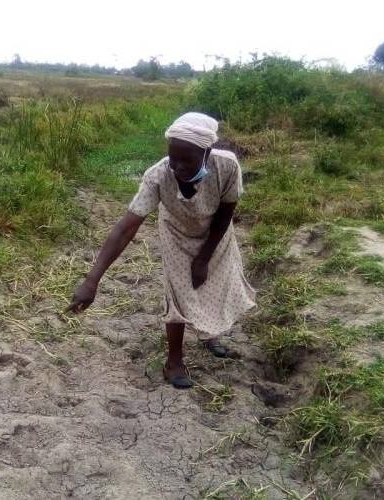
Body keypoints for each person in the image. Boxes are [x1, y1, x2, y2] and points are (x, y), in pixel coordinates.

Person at [67, 112, 256, 389]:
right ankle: (174, 360)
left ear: (206, 153)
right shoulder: (158, 175)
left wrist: (204, 257)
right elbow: (125, 228)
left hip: (216, 231)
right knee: (178, 290)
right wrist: (91, 280)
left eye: (187, 160)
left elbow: (226, 213)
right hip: (176, 232)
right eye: (173, 157)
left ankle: (208, 334)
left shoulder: (227, 167)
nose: (177, 166)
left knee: (213, 281)